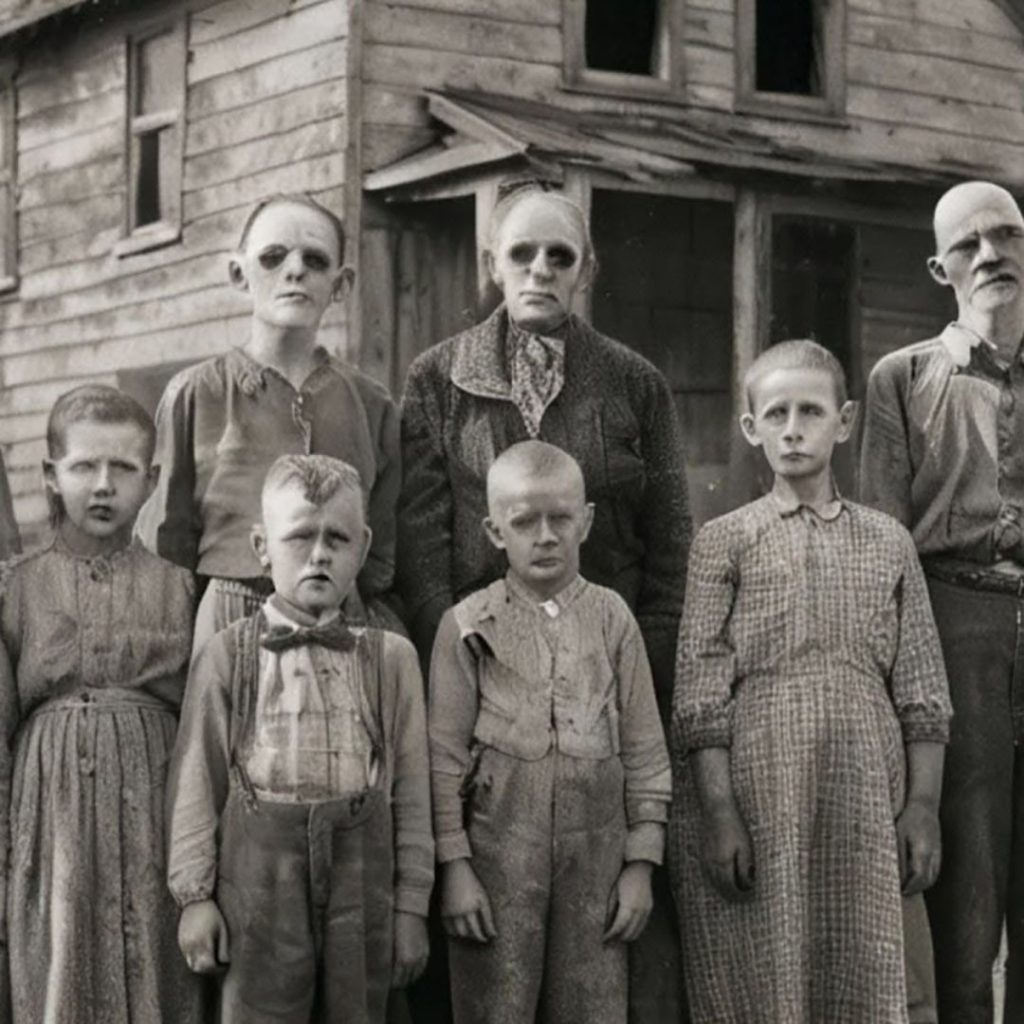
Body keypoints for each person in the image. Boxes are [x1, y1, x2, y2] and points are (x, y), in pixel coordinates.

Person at [399, 184, 690, 1023]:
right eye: (521, 253)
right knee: (489, 957)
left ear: (586, 269)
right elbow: (421, 543)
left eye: (559, 255)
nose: (539, 270)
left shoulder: (634, 382)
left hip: (602, 694)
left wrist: (636, 678)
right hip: (485, 705)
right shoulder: (438, 377)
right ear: (492, 263)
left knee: (597, 964)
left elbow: (669, 544)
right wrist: (465, 666)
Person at [674, 341, 952, 1023]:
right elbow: (700, 696)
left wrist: (921, 805)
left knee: (871, 966)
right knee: (767, 968)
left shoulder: (888, 542)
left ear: (845, 421)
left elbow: (922, 690)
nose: (793, 429)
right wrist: (719, 810)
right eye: (776, 414)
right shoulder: (724, 541)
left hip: (866, 792)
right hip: (762, 792)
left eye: (811, 411)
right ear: (751, 428)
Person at [167, 453, 433, 1024]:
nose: (319, 554)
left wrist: (412, 907)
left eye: (337, 538)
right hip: (259, 887)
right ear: (262, 547)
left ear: (363, 547)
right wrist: (194, 898)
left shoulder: (392, 660)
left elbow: (413, 793)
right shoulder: (227, 655)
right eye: (300, 537)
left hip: (363, 886)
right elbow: (196, 781)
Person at [429, 440, 670, 1024]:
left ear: (585, 522)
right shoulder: (467, 625)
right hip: (496, 863)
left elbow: (645, 749)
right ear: (494, 531)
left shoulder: (613, 619)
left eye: (561, 518)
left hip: (598, 867)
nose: (545, 536)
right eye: (524, 522)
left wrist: (641, 864)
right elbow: (441, 759)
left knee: (594, 1007)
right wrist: (455, 868)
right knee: (495, 1007)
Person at [861, 180, 1024, 1023]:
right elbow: (886, 546)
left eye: (1008, 235)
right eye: (969, 245)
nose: (992, 255)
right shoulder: (904, 378)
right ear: (940, 269)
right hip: (954, 629)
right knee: (968, 903)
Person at [0, 384, 203, 1022]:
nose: (104, 485)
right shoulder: (17, 588)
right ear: (50, 476)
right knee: (58, 971)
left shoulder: (182, 589)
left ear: (152, 480)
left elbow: (203, 731)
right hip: (50, 822)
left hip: (152, 811)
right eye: (84, 466)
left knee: (155, 970)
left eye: (123, 468)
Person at [136, 193, 401, 650]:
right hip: (229, 620)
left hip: (341, 622)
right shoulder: (196, 394)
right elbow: (164, 544)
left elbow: (382, 551)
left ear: (341, 284)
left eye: (315, 260)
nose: (294, 271)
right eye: (273, 257)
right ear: (239, 274)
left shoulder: (371, 403)